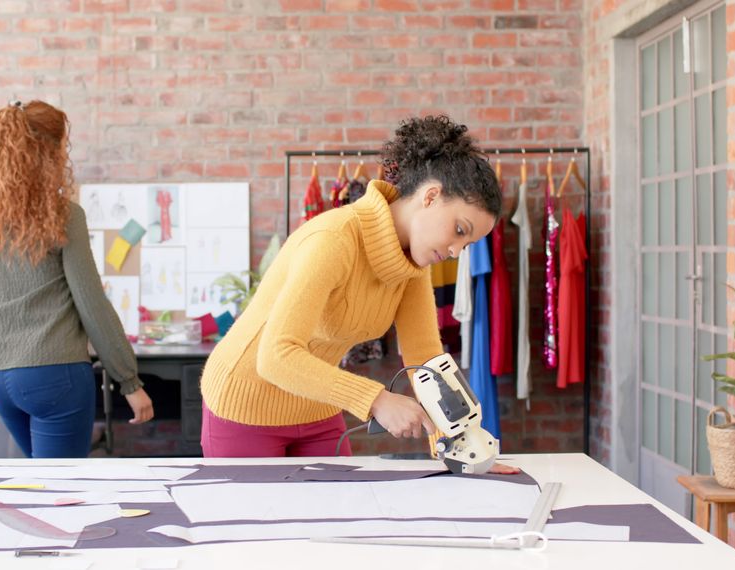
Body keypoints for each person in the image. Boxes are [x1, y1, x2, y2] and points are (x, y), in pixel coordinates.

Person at [201, 115, 518, 472]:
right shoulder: (333, 240)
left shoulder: (411, 264)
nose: (457, 251)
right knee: (257, 527)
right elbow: (276, 356)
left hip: (315, 403)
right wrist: (377, 400)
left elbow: (426, 360)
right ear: (431, 197)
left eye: (468, 242)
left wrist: (467, 446)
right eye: (459, 230)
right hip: (246, 403)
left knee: (337, 520)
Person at [0, 100, 153, 459]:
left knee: (42, 484)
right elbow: (91, 303)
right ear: (47, 154)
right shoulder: (65, 216)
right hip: (54, 374)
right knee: (61, 491)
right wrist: (129, 381)